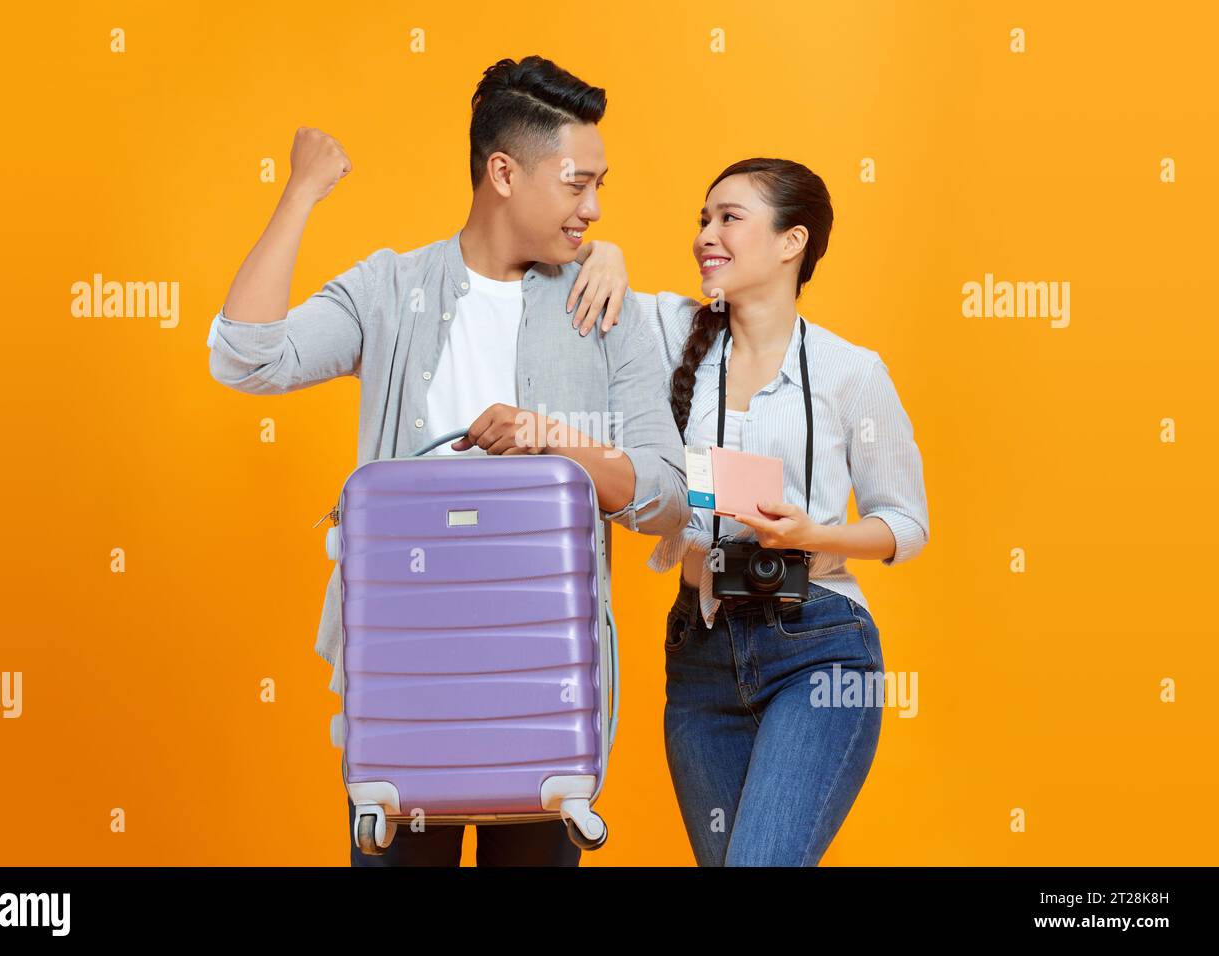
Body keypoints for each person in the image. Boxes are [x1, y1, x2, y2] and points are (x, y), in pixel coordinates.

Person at [205, 55, 689, 866]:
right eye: (577, 185)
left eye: (600, 186)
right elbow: (247, 358)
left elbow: (669, 500)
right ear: (503, 172)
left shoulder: (608, 311)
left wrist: (550, 438)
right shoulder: (392, 290)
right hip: (405, 688)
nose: (595, 209)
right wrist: (301, 192)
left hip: (545, 689)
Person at [577, 157, 930, 865]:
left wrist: (813, 533)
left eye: (729, 218)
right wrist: (606, 250)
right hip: (700, 653)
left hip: (817, 648)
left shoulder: (849, 371)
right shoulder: (672, 327)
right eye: (703, 219)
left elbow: (907, 525)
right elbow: (578, 277)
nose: (707, 234)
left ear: (791, 242)